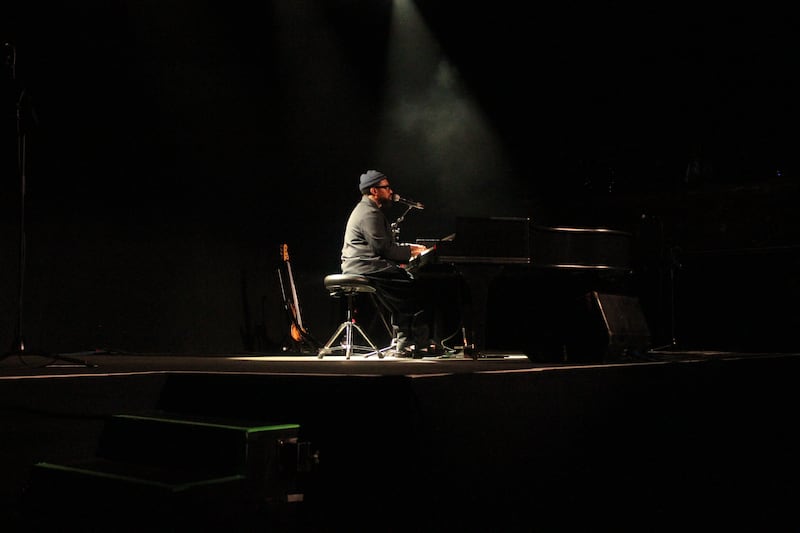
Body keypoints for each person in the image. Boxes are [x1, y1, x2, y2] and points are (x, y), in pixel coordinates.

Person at [340, 169, 430, 358]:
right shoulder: (369, 213)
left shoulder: (369, 210)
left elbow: (383, 245)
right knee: (412, 287)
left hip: (366, 263)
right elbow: (384, 249)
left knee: (405, 287)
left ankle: (405, 343)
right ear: (374, 191)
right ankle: (410, 344)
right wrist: (411, 251)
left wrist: (410, 249)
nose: (390, 191)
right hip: (365, 265)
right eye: (386, 187)